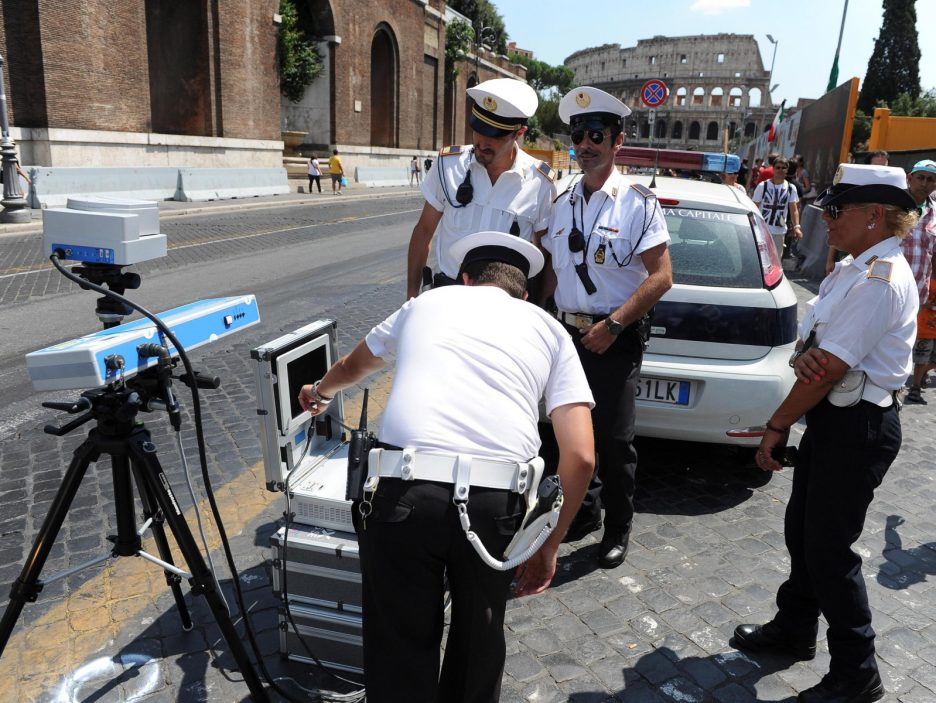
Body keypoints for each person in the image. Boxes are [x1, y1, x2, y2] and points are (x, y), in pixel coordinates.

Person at [298, 231, 595, 703]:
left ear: (465, 278)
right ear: (523, 292)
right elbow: (580, 457)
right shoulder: (550, 329)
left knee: (399, 649)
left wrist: (319, 392)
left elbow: (356, 365)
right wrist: (548, 546)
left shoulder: (426, 304)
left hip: (402, 494)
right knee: (478, 645)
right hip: (496, 506)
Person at [731, 164, 919, 703]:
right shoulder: (854, 268)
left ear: (874, 216)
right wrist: (811, 362)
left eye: (837, 211)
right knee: (803, 534)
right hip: (837, 420)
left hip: (858, 425)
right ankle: (794, 629)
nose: (827, 220)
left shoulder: (879, 280)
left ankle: (858, 672)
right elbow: (813, 347)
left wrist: (776, 426)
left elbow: (827, 367)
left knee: (830, 551)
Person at [539, 86, 673, 569]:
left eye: (596, 134)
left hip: (614, 339)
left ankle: (618, 526)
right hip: (567, 337)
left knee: (615, 443)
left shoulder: (637, 202)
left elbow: (662, 276)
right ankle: (584, 513)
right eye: (578, 135)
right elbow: (554, 272)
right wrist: (541, 318)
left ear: (618, 140)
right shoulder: (560, 201)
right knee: (566, 437)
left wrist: (614, 325)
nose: (585, 144)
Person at [406, 77, 557, 298]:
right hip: (449, 294)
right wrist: (411, 295)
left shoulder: (539, 182)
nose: (482, 142)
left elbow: (544, 253)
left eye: (495, 135)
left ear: (519, 133)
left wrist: (538, 306)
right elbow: (424, 231)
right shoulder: (448, 164)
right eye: (478, 129)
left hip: (503, 305)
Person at [901, 159, 936, 403]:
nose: (925, 183)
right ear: (909, 178)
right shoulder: (892, 205)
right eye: (920, 177)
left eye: (930, 179)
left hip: (920, 292)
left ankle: (906, 385)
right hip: (889, 287)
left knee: (917, 339)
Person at [753, 156, 801, 258]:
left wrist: (797, 227)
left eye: (783, 168)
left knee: (776, 260)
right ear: (773, 169)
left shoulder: (791, 188)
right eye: (778, 167)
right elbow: (754, 207)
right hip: (762, 229)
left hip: (779, 231)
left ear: (787, 170)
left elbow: (794, 209)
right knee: (760, 258)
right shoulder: (763, 186)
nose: (780, 170)